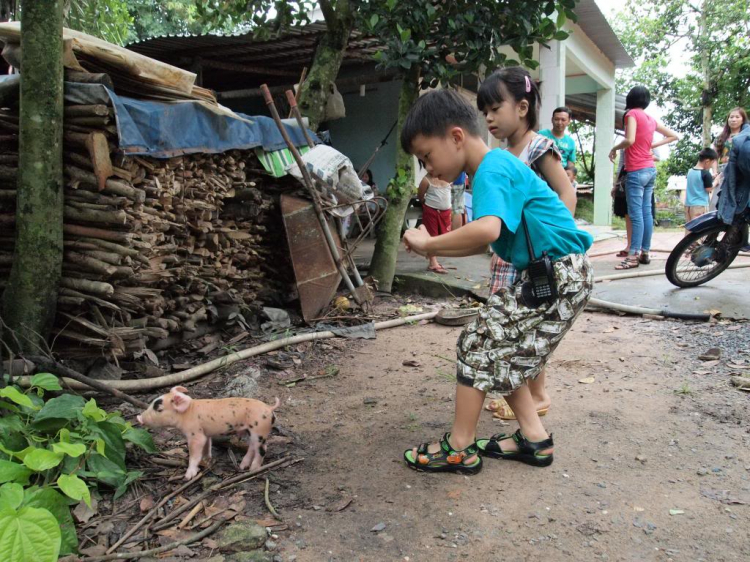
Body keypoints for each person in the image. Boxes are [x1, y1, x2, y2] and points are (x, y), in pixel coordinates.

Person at [400, 88, 593, 474]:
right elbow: (480, 241)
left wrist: (428, 244)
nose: (428, 169)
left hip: (557, 275)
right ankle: (535, 439)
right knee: (501, 349)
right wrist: (431, 248)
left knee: (478, 342)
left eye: (427, 157)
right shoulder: (493, 168)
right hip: (560, 274)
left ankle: (459, 446)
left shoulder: (490, 168)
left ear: (456, 137)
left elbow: (486, 230)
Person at [478, 67, 577, 422]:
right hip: (509, 260)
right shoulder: (500, 153)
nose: (488, 117)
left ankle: (537, 394)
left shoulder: (539, 147)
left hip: (536, 260)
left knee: (531, 328)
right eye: (484, 111)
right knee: (512, 326)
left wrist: (552, 248)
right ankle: (521, 391)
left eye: (495, 108)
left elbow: (566, 194)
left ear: (522, 107)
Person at [608, 86, 678, 269]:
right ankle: (645, 253)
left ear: (630, 99)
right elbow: (673, 136)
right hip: (650, 170)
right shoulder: (650, 118)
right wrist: (650, 144)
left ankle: (632, 257)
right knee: (646, 213)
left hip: (636, 171)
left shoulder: (631, 114)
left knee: (636, 215)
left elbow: (629, 140)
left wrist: (614, 149)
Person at [711, 108, 748, 209]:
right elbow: (714, 156)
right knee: (717, 203)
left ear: (742, 120)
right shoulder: (721, 138)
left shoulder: (746, 137)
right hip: (723, 173)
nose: (733, 119)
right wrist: (715, 172)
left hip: (740, 172)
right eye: (731, 117)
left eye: (737, 117)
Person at [417, 172, 452, 273]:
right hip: (431, 211)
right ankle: (433, 262)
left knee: (443, 237)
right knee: (431, 237)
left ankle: (433, 260)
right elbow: (420, 196)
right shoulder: (426, 180)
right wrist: (427, 205)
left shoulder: (448, 176)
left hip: (446, 212)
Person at [684, 148, 718, 229]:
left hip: (688, 205)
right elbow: (708, 189)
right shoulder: (706, 174)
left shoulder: (690, 171)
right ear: (707, 161)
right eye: (712, 163)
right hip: (700, 206)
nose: (711, 166)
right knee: (700, 231)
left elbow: (698, 182)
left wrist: (710, 178)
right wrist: (716, 181)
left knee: (690, 230)